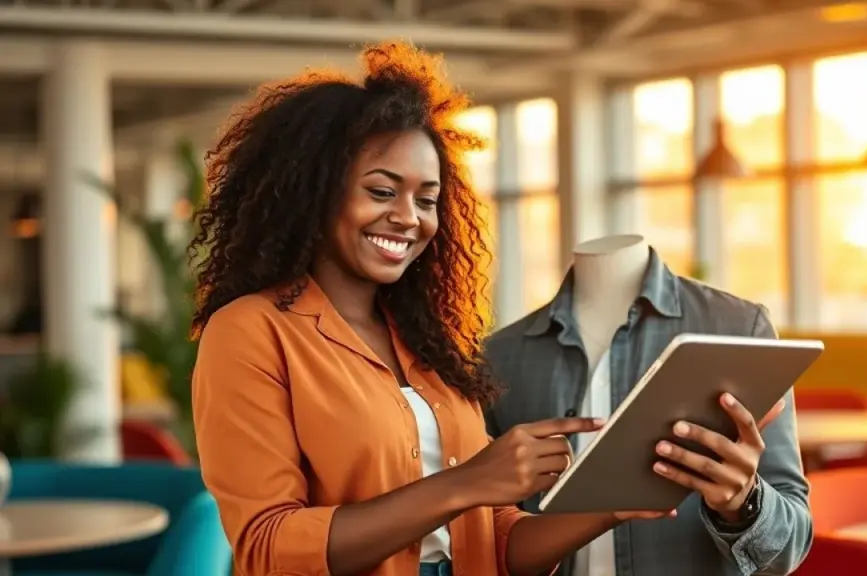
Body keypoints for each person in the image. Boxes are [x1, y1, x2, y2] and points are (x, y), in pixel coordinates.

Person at [188, 41, 672, 576]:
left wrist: (611, 504)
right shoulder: (250, 332)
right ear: (313, 193)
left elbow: (494, 540)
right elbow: (267, 547)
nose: (407, 218)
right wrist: (467, 482)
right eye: (381, 191)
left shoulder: (424, 337)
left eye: (426, 199)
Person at [485, 237, 813, 576]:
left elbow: (789, 552)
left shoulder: (740, 327)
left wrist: (743, 503)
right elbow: (479, 542)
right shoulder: (498, 358)